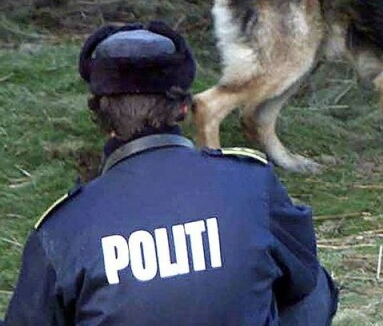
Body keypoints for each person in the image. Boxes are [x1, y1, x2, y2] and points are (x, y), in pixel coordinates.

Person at [3, 21, 338, 325]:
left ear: (99, 115)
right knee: (311, 285)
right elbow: (307, 286)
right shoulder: (251, 182)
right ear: (181, 108)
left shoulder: (61, 229)